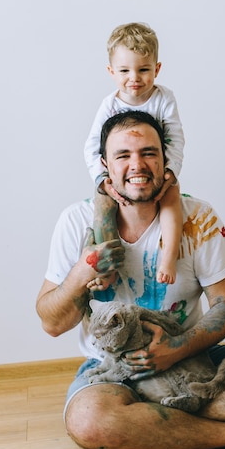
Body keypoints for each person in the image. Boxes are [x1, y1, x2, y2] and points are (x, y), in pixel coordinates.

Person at [37, 110, 225, 449]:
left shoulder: (199, 216)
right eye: (123, 155)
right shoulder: (75, 221)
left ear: (165, 161)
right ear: (105, 166)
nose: (137, 164)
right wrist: (82, 271)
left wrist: (175, 349)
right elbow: (52, 323)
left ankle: (155, 432)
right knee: (88, 420)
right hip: (113, 371)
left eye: (149, 153)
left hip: (192, 362)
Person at [84, 22, 184, 285]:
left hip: (156, 174)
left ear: (157, 69)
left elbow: (175, 138)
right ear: (111, 72)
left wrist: (170, 172)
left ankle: (169, 256)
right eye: (125, 70)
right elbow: (91, 146)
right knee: (102, 205)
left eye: (143, 69)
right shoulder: (110, 105)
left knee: (173, 200)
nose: (134, 78)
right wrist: (102, 179)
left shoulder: (164, 99)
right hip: (117, 178)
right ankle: (108, 268)